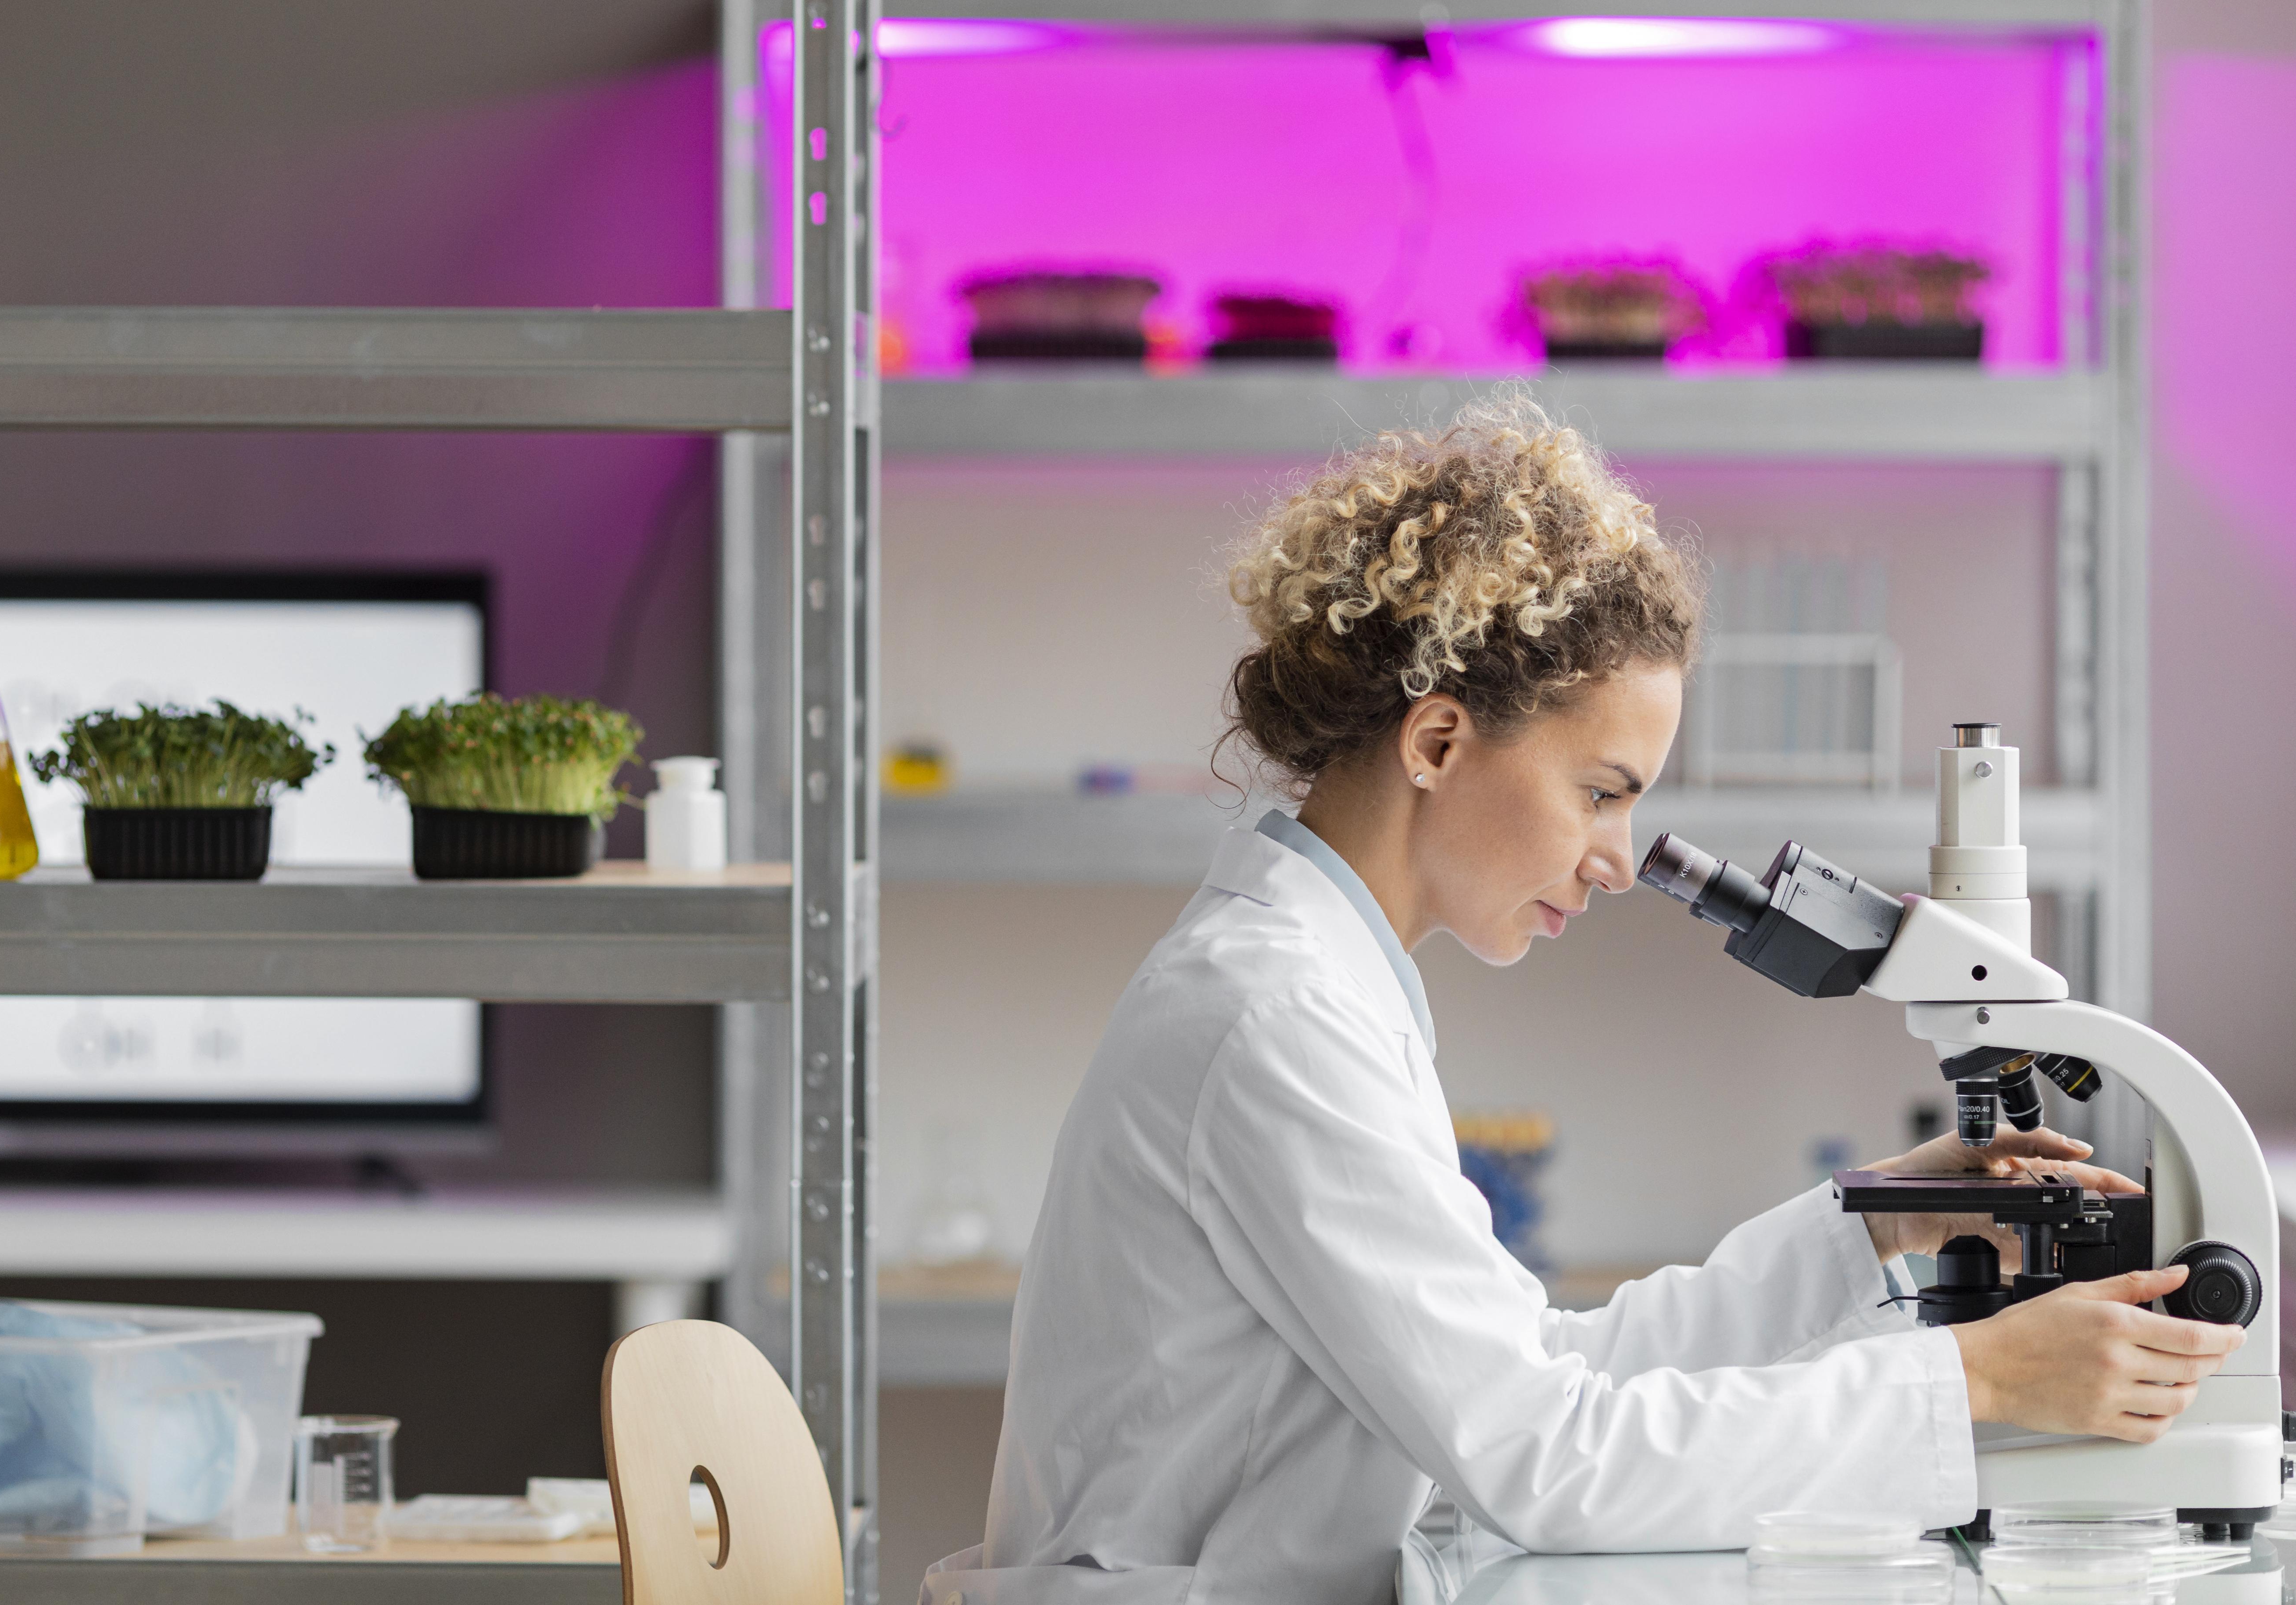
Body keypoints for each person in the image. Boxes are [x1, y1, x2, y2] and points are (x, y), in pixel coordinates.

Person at [919, 396, 2242, 1605]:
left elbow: (1544, 1369)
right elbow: (1549, 1456)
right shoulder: (1273, 1018)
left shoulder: (1316, 984)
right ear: (1439, 740)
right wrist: (1976, 1379)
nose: (1618, 859)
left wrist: (1874, 1225)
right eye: (1601, 792)